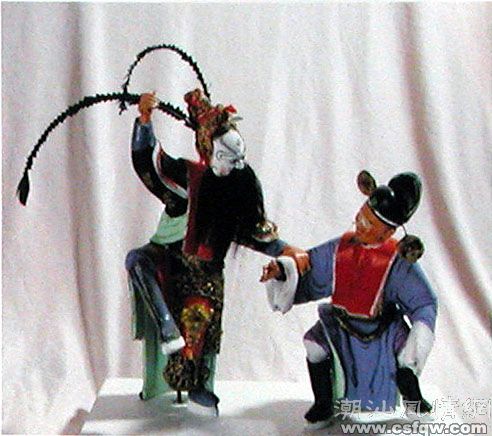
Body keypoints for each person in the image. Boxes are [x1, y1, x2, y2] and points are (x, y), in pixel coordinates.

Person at [126, 89, 309, 413]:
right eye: (228, 158)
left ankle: (197, 385)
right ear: (207, 150)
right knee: (137, 260)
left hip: (205, 271)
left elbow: (254, 233)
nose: (237, 165)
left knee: (199, 324)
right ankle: (167, 329)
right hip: (166, 256)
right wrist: (144, 120)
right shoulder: (188, 178)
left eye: (239, 158)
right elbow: (151, 165)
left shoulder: (240, 185)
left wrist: (288, 250)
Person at [261, 170, 437, 429]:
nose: (359, 223)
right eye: (361, 216)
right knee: (314, 346)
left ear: (387, 232)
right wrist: (282, 269)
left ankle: (414, 402)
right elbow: (309, 267)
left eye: (369, 223)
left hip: (384, 329)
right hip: (341, 325)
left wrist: (420, 331)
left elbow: (423, 301)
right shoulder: (340, 247)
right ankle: (323, 404)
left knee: (405, 359)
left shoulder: (397, 261)